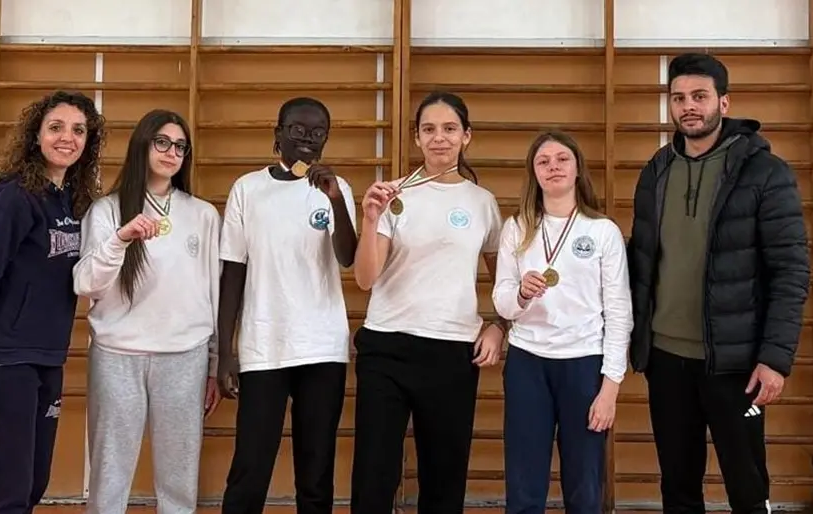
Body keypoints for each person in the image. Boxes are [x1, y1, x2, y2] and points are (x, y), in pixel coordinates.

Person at [626, 52, 810, 514]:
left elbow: (791, 272)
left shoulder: (766, 173)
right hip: (666, 361)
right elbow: (641, 261)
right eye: (679, 97)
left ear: (724, 103)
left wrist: (774, 358)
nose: (689, 106)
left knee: (747, 487)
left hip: (736, 364)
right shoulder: (656, 171)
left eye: (700, 96)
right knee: (678, 487)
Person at [350, 91, 505, 514]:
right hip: (386, 348)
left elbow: (503, 284)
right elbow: (366, 278)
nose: (440, 138)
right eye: (429, 129)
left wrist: (498, 324)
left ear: (466, 136)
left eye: (450, 129)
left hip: (452, 352)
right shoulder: (393, 195)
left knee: (444, 479)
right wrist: (369, 219)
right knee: (374, 476)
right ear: (417, 138)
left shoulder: (482, 203)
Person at [0, 90, 105, 514]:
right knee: (10, 490)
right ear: (36, 135)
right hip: (7, 362)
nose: (67, 138)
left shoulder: (74, 203)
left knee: (35, 481)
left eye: (78, 130)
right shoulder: (15, 198)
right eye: (56, 127)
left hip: (48, 357)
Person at [72, 109, 221, 514]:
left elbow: (213, 293)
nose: (172, 152)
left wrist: (213, 364)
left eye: (180, 146)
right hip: (118, 355)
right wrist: (121, 239)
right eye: (162, 142)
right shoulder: (106, 211)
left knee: (178, 476)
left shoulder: (203, 215)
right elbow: (85, 283)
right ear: (143, 145)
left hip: (184, 357)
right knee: (110, 470)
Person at [216, 96, 358, 514]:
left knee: (315, 471)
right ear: (278, 133)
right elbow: (233, 273)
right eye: (298, 130)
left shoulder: (337, 188)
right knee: (250, 468)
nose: (308, 139)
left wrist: (334, 199)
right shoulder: (248, 189)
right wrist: (225, 352)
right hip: (264, 348)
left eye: (318, 133)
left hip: (322, 349)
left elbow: (348, 256)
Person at [492, 131, 632, 513]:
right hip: (527, 362)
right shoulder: (517, 228)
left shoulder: (602, 231)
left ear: (577, 169)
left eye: (561, 159)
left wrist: (610, 389)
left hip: (584, 363)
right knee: (523, 480)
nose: (553, 166)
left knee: (585, 485)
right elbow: (502, 303)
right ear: (533, 172)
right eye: (543, 161)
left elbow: (620, 314)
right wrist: (520, 294)